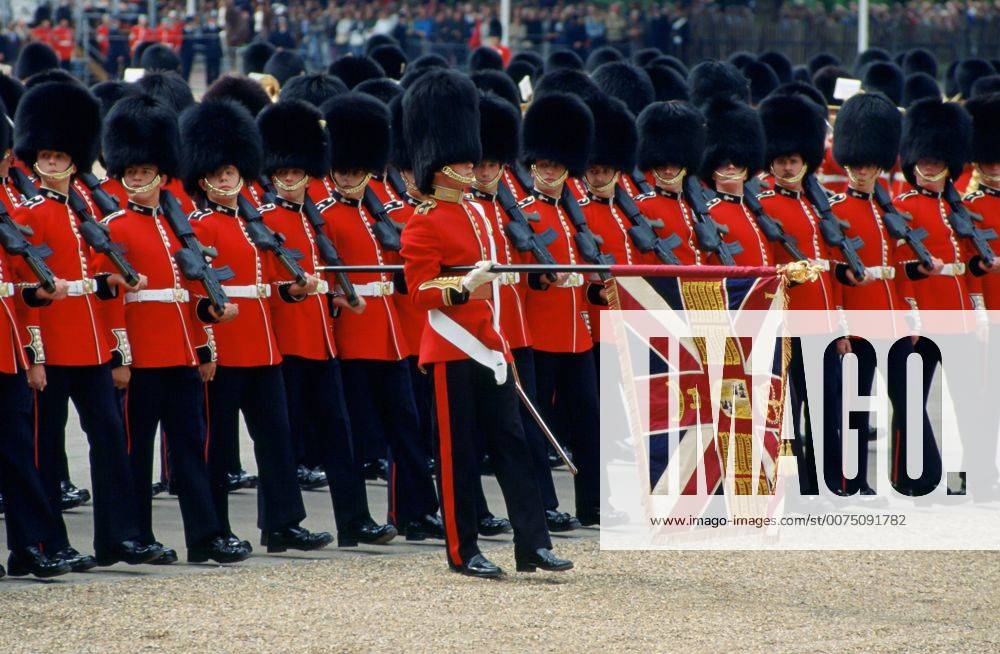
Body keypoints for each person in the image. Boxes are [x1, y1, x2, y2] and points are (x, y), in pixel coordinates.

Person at [400, 68, 571, 577]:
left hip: (491, 346)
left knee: (515, 446)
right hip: (452, 349)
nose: (470, 166)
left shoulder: (483, 215)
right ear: (438, 167)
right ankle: (462, 549)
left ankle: (532, 545)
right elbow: (419, 290)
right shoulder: (423, 221)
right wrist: (461, 286)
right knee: (458, 456)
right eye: (459, 160)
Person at [13, 81, 165, 570]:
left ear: (75, 161)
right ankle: (48, 541)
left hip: (94, 345)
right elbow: (25, 294)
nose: (53, 163)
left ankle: (117, 537)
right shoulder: (28, 216)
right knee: (47, 450)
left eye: (62, 157)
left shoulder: (89, 214)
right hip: (53, 346)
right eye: (47, 156)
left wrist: (119, 352)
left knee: (110, 441)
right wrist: (33, 356)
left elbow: (106, 287)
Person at [98, 93, 251, 564]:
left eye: (145, 173)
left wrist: (207, 339)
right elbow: (113, 302)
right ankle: (133, 535)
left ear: (163, 176)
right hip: (142, 356)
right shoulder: (113, 227)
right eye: (131, 173)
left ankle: (204, 536)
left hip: (181, 353)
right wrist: (120, 358)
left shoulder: (176, 227)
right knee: (135, 453)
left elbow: (190, 293)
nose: (138, 180)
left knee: (192, 451)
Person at [180, 98, 332, 553]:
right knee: (218, 446)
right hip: (225, 345)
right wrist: (206, 350)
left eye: (231, 173)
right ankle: (213, 532)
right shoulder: (198, 226)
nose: (226, 181)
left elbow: (267, 285)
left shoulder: (253, 223)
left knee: (276, 439)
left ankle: (283, 523)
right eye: (218, 175)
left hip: (264, 346)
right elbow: (197, 295)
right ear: (203, 180)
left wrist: (295, 290)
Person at [255, 98, 396, 546]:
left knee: (341, 436)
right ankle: (279, 526)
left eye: (297, 173)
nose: (292, 180)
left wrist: (337, 298)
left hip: (323, 342)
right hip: (286, 343)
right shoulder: (264, 222)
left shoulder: (313, 220)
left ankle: (354, 521)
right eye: (284, 174)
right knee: (282, 440)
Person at [319, 92, 443, 541]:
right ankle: (354, 521)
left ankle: (415, 512)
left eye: (356, 171)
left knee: (406, 429)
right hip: (353, 335)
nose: (350, 179)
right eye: (343, 171)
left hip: (391, 334)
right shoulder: (326, 217)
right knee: (356, 436)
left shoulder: (384, 212)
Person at [469, 91, 575, 533]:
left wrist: (542, 278)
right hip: (476, 331)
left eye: (493, 164)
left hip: (516, 328)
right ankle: (474, 511)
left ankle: (540, 505)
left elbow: (524, 268)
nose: (487, 171)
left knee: (528, 427)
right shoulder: (463, 211)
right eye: (481, 164)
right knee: (474, 431)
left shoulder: (510, 209)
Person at [518, 92, 604, 525]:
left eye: (556, 166)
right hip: (539, 330)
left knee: (589, 419)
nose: (550, 173)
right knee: (539, 424)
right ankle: (544, 505)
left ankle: (593, 502)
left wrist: (596, 294)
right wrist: (540, 279)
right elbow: (517, 275)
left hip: (577, 332)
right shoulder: (522, 214)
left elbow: (582, 278)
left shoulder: (577, 215)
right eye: (544, 165)